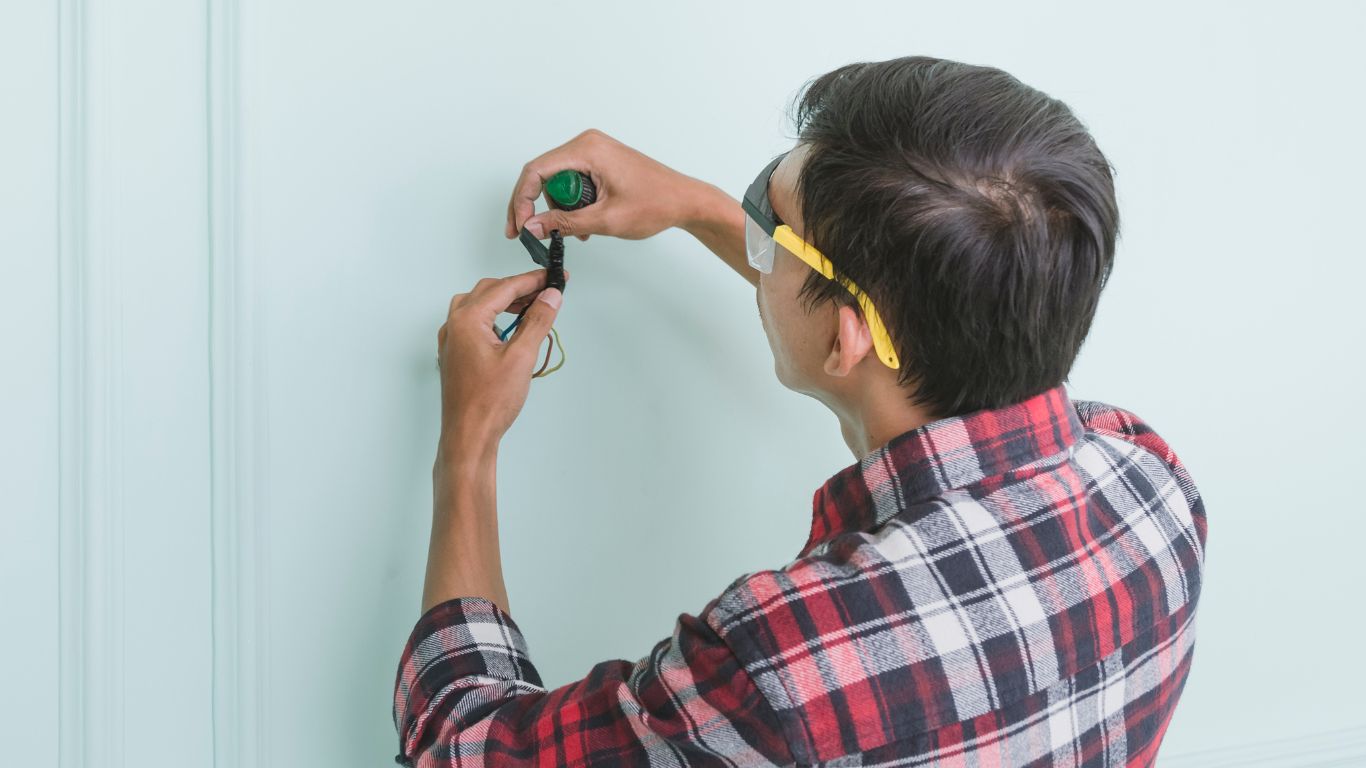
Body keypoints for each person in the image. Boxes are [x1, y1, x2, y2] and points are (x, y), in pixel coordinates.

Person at [394, 55, 1207, 767]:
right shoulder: (1150, 479)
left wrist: (468, 444)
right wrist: (695, 206)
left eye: (769, 224)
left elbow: (460, 744)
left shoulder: (789, 663)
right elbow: (895, 326)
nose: (755, 232)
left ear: (846, 336)